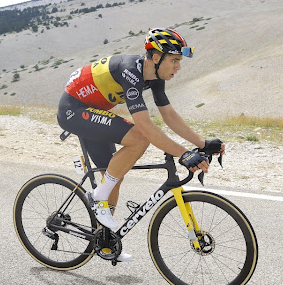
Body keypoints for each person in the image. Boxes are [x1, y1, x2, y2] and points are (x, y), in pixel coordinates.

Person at [57, 27, 224, 261]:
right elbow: (144, 126)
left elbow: (169, 115)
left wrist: (202, 143)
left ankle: (103, 240)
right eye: (175, 60)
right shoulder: (130, 71)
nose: (178, 67)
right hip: (73, 111)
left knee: (113, 175)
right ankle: (97, 198)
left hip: (92, 111)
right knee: (138, 137)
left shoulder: (154, 76)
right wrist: (184, 154)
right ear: (156, 58)